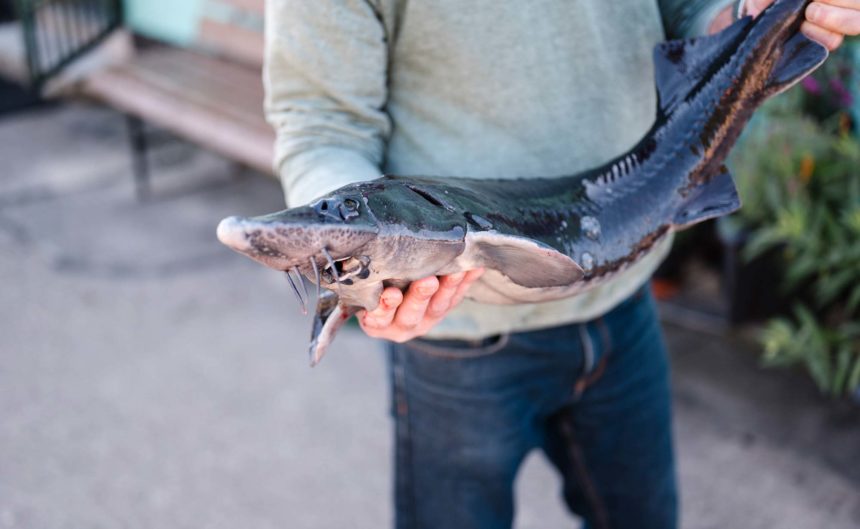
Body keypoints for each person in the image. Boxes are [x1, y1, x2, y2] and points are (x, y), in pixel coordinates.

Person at [263, 0, 858, 527]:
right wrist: (359, 250)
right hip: (457, 335)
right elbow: (321, 124)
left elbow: (689, 9)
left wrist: (749, 19)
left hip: (625, 295)